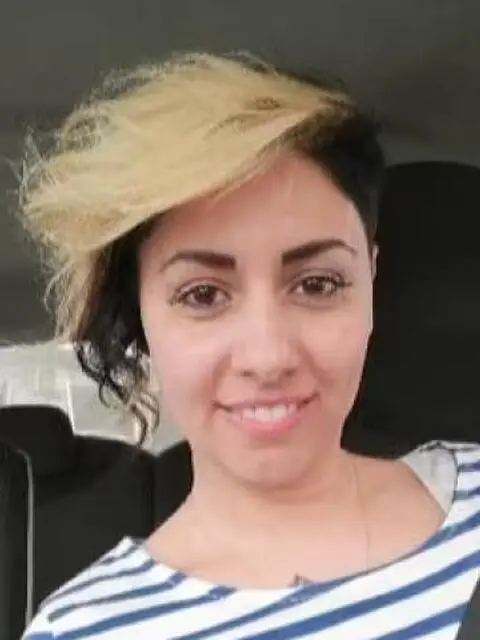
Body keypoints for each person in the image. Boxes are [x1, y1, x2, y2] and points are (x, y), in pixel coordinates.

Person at [20, 52, 480, 639]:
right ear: (138, 317)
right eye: (203, 295)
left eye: (318, 284)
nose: (268, 358)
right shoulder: (85, 629)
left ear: (370, 280)